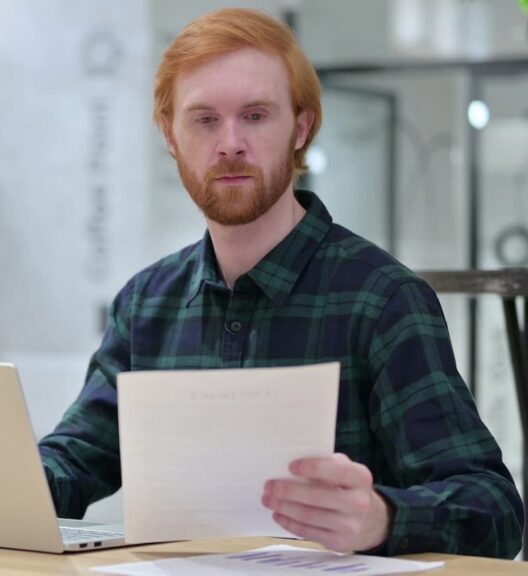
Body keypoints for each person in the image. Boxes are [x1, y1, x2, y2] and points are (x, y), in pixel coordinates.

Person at [38, 8, 524, 558]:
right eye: (204, 120)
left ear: (301, 128)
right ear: (169, 135)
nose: (230, 143)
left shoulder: (383, 299)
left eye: (255, 115)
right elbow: (77, 458)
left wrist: (384, 518)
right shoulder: (147, 304)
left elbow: (494, 509)